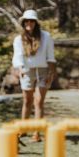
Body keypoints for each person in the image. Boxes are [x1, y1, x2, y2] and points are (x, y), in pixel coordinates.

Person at [12, 9, 56, 142]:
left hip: (43, 70)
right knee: (27, 101)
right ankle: (23, 129)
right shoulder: (18, 39)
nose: (29, 23)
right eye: (27, 21)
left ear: (36, 23)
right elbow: (17, 57)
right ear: (23, 23)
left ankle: (36, 132)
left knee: (39, 101)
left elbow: (51, 56)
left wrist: (51, 72)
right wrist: (20, 70)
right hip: (27, 70)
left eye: (32, 21)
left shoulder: (46, 36)